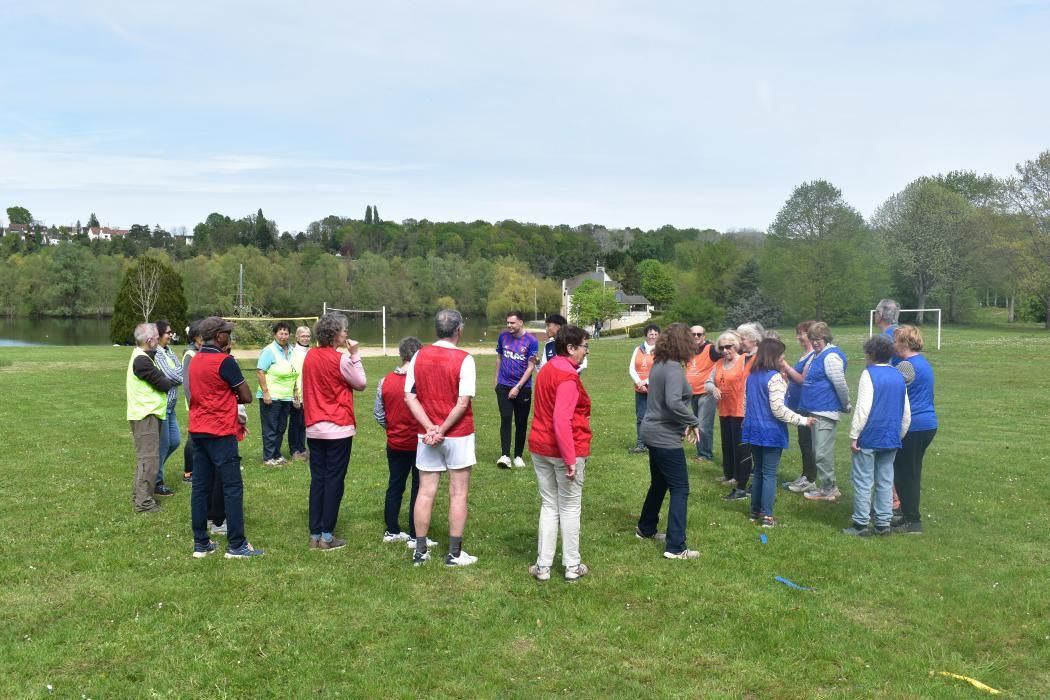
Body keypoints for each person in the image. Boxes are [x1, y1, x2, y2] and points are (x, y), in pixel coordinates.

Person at [404, 309, 478, 567]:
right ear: (459, 330)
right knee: (458, 493)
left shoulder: (418, 356)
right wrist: (441, 429)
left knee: (425, 492)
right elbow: (462, 402)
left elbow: (410, 396)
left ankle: (420, 551)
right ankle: (454, 554)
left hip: (428, 435)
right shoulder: (465, 359)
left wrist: (429, 428)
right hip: (457, 434)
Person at [188, 316, 263, 559]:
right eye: (227, 333)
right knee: (232, 487)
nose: (229, 338)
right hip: (220, 430)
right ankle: (237, 545)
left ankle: (201, 543)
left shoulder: (195, 358)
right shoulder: (225, 361)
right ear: (218, 336)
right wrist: (230, 396)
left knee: (200, 487)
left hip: (197, 429)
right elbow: (247, 396)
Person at [527, 325, 592, 581]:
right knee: (569, 506)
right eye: (585, 347)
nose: (586, 352)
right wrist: (569, 459)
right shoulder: (566, 376)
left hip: (540, 446)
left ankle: (543, 566)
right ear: (571, 348)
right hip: (562, 448)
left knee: (549, 505)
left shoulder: (547, 369)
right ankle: (572, 565)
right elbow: (561, 419)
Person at [635, 323, 702, 560]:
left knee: (660, 483)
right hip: (663, 436)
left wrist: (682, 423)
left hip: (653, 431)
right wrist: (693, 421)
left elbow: (667, 402)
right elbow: (673, 402)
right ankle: (676, 547)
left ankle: (646, 528)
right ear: (682, 343)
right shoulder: (672, 368)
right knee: (680, 488)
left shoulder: (659, 364)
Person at [301, 312, 367, 551]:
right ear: (334, 334)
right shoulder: (340, 359)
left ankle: (314, 533)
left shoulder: (309, 357)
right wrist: (355, 355)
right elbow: (360, 383)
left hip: (315, 428)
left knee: (318, 479)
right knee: (334, 480)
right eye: (343, 330)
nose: (346, 334)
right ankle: (326, 536)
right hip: (338, 427)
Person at [742, 337, 815, 527]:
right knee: (769, 474)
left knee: (758, 472)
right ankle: (767, 516)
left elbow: (746, 403)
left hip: (753, 429)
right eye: (781, 355)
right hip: (770, 432)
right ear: (773, 356)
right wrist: (803, 420)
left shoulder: (752, 375)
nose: (783, 359)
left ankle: (755, 510)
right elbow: (779, 410)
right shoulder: (774, 378)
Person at [843, 335, 910, 536]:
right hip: (891, 436)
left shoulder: (869, 374)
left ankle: (861, 524)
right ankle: (883, 523)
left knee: (863, 480)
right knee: (885, 480)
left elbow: (863, 409)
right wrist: (900, 434)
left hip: (870, 436)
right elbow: (906, 412)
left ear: (871, 354)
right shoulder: (898, 375)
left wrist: (855, 435)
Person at [374, 336, 428, 546]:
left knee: (395, 485)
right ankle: (416, 533)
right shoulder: (422, 382)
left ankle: (392, 530)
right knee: (419, 487)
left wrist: (392, 428)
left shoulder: (384, 381)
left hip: (394, 442)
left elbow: (379, 414)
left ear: (401, 354)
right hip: (418, 443)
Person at [183, 320, 229, 537]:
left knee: (208, 479)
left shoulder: (214, 357)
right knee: (214, 478)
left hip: (207, 421)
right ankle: (216, 521)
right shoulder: (194, 358)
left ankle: (205, 531)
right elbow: (192, 389)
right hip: (210, 423)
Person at [891, 325, 937, 534]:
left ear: (904, 343)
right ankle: (907, 516)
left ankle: (913, 521)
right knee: (908, 471)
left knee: (906, 474)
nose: (893, 345)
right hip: (926, 423)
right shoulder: (922, 363)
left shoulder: (906, 366)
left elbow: (891, 389)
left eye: (896, 341)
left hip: (914, 425)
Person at [799, 322, 851, 502]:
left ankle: (829, 488)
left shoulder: (831, 357)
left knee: (822, 453)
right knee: (817, 451)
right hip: (815, 410)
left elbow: (840, 384)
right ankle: (828, 486)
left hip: (825, 411)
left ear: (826, 338)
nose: (814, 343)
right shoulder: (818, 354)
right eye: (812, 339)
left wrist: (845, 404)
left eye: (818, 339)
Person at [126, 323, 175, 513]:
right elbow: (164, 383)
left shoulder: (144, 357)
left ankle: (139, 496)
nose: (159, 339)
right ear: (149, 340)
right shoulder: (142, 361)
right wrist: (167, 379)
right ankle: (144, 504)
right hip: (145, 415)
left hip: (148, 413)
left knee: (146, 459)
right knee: (149, 460)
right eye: (156, 337)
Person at [705, 330, 751, 500]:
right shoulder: (718, 364)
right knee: (727, 443)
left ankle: (739, 477)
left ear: (736, 346)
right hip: (724, 409)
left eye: (728, 347)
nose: (725, 350)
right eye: (722, 347)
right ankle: (728, 474)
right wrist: (713, 388)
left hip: (740, 410)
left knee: (739, 445)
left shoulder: (744, 361)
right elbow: (708, 382)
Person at [494, 310, 539, 469]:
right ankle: (505, 455)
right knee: (505, 418)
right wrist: (496, 380)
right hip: (503, 386)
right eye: (507, 323)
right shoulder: (503, 337)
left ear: (520, 322)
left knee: (521, 422)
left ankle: (518, 456)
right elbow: (499, 357)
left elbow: (531, 366)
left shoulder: (532, 341)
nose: (509, 326)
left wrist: (518, 387)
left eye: (512, 323)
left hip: (523, 388)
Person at [780, 320, 819, 493]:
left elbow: (803, 380)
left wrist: (784, 365)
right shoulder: (805, 355)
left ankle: (811, 478)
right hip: (799, 403)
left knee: (808, 442)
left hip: (807, 404)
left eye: (801, 333)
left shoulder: (813, 356)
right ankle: (805, 475)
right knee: (803, 441)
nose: (798, 337)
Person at [256, 321, 298, 466]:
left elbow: (294, 372)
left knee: (281, 427)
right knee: (270, 427)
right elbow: (260, 371)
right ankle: (268, 458)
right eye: (281, 333)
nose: (284, 336)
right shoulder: (269, 350)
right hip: (271, 396)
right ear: (275, 334)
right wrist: (266, 393)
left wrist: (295, 392)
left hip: (286, 396)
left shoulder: (292, 350)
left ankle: (277, 454)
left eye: (286, 333)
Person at [152, 319, 183, 496]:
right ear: (158, 335)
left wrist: (177, 376)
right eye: (168, 333)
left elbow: (178, 372)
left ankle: (153, 470)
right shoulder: (156, 352)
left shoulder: (169, 351)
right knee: (163, 446)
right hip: (162, 405)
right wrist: (178, 376)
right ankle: (157, 482)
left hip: (171, 406)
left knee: (175, 441)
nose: (171, 335)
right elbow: (172, 374)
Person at [684, 324, 720, 463]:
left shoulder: (710, 349)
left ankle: (705, 454)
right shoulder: (688, 350)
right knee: (696, 424)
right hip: (692, 393)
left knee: (704, 425)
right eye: (693, 334)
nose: (696, 337)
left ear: (704, 336)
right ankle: (701, 452)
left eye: (699, 334)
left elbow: (727, 354)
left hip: (706, 393)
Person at [627, 324, 660, 454]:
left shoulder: (661, 350)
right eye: (650, 334)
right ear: (645, 335)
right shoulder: (638, 350)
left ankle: (655, 443)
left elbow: (659, 370)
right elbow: (631, 368)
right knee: (641, 417)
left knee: (656, 417)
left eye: (655, 334)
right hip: (640, 389)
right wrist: (639, 383)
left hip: (655, 389)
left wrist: (646, 382)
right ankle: (641, 444)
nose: (653, 336)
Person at [181, 321, 202, 484]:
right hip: (195, 403)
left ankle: (201, 468)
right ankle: (188, 472)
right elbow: (187, 382)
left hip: (205, 402)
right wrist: (192, 403)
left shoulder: (202, 351)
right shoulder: (190, 354)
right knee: (193, 437)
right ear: (195, 337)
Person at [287, 325, 312, 462]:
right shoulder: (292, 352)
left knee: (304, 423)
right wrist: (294, 391)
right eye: (303, 336)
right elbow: (291, 373)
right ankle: (294, 449)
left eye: (307, 336)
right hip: (297, 393)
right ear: (297, 337)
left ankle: (302, 448)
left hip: (309, 394)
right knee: (296, 422)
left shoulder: (312, 351)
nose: (305, 338)